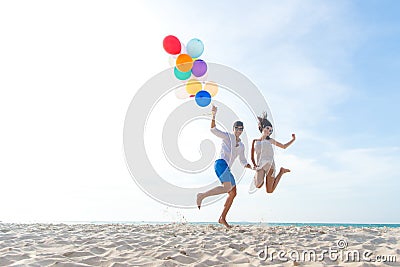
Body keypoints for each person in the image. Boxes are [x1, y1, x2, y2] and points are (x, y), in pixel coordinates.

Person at [196, 105, 252, 228]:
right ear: (233, 129)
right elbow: (213, 130)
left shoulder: (241, 145)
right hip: (221, 163)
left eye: (241, 128)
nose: (239, 130)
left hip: (227, 168)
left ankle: (222, 218)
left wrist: (249, 166)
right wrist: (214, 115)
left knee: (233, 193)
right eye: (237, 128)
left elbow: (242, 160)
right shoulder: (228, 136)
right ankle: (202, 195)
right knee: (227, 188)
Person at [251, 112, 295, 193]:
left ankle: (281, 172)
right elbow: (252, 155)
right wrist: (253, 165)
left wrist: (293, 139)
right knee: (258, 185)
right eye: (268, 128)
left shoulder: (270, 140)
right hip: (260, 166)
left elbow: (284, 146)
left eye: (271, 130)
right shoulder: (255, 141)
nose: (269, 131)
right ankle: (258, 177)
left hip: (270, 166)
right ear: (262, 127)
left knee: (269, 190)